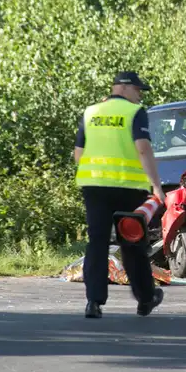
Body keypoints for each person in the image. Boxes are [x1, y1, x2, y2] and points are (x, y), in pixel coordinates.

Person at [74, 71, 166, 319]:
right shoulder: (135, 113)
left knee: (97, 242)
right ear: (124, 88)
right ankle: (145, 298)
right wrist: (156, 186)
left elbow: (78, 154)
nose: (139, 96)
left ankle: (93, 302)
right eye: (138, 90)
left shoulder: (90, 113)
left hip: (94, 187)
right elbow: (143, 149)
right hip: (128, 187)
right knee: (133, 243)